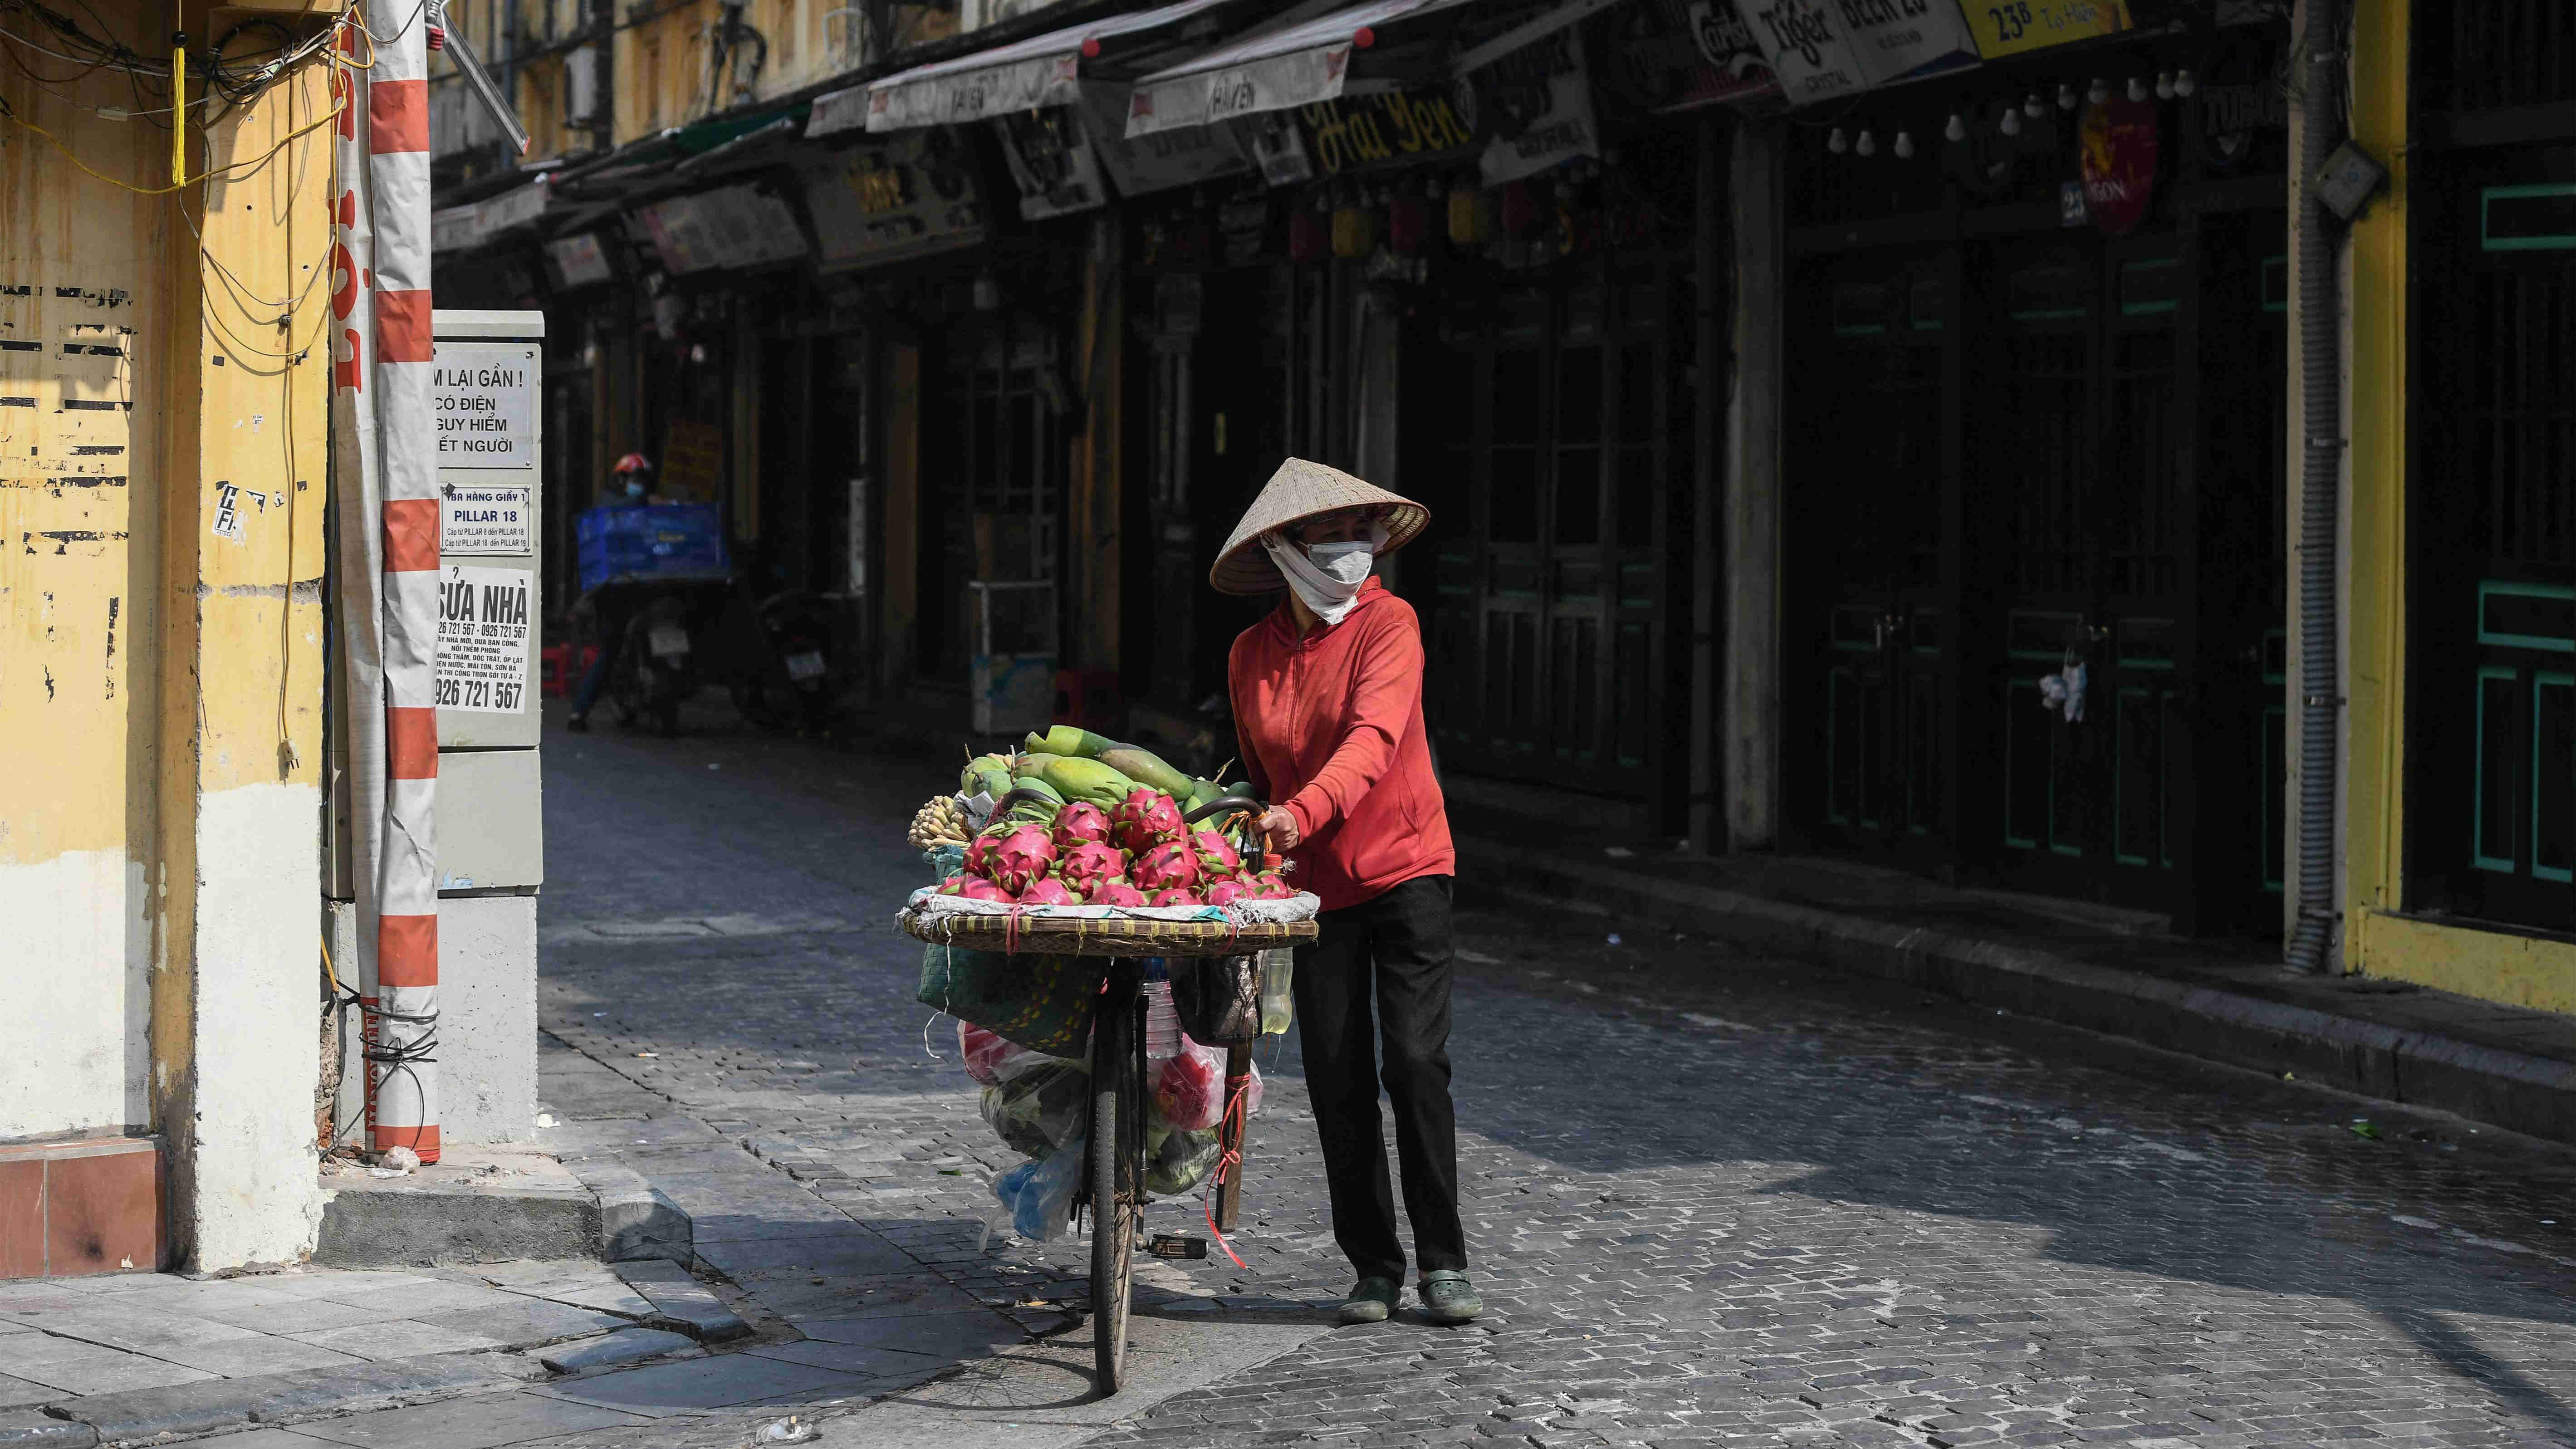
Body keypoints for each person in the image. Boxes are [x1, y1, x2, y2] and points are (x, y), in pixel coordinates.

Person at [1211, 457, 1477, 1327]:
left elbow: (1372, 739)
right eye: (1330, 538)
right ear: (1284, 552)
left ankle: (1444, 1260)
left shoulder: (1390, 625)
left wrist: (1301, 810)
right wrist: (1252, 828)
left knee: (1412, 1060)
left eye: (1361, 535)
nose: (1351, 553)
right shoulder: (1249, 654)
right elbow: (1260, 774)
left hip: (1406, 871)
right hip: (1310, 893)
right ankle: (1373, 1265)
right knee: (1335, 1074)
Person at [566, 453, 660, 733]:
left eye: (643, 481)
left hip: (646, 583)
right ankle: (579, 713)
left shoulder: (650, 506)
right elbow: (620, 510)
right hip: (613, 590)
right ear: (621, 480)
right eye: (635, 480)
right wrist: (647, 503)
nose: (639, 486)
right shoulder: (609, 502)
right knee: (610, 652)